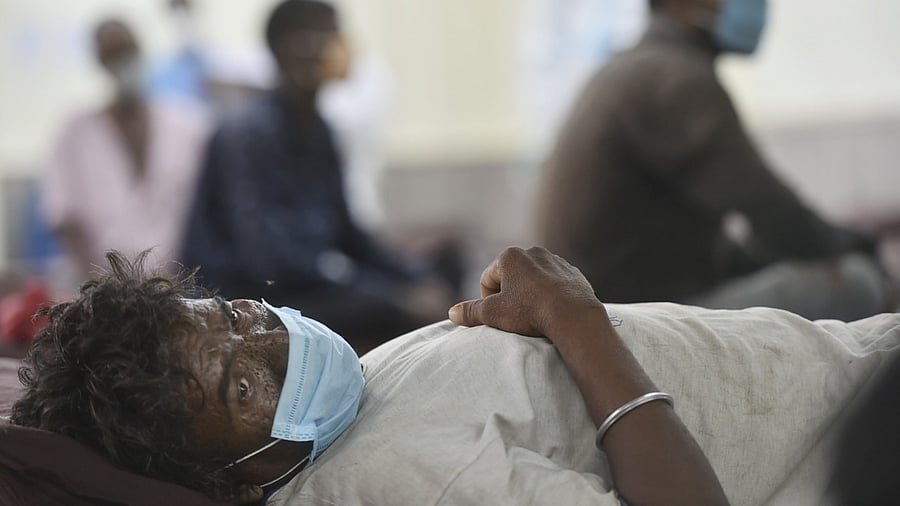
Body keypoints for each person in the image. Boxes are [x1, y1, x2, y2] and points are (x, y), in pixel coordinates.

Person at [535, 0, 891, 320]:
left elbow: (713, 246)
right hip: (630, 323)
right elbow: (771, 212)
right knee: (858, 284)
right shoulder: (675, 78)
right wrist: (852, 247)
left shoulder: (634, 68)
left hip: (614, 309)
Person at [181, 0, 452, 353]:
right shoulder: (246, 135)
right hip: (249, 306)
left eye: (335, 34)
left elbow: (348, 235)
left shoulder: (320, 129)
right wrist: (386, 292)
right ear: (285, 51)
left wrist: (414, 276)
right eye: (321, 36)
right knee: (388, 311)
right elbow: (268, 264)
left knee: (446, 268)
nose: (335, 47)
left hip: (302, 288)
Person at [41, 18, 209, 281]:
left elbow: (208, 209)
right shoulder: (75, 135)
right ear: (100, 61)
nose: (123, 63)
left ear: (141, 51)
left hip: (181, 284)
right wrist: (98, 288)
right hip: (103, 288)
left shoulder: (188, 126)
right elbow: (66, 219)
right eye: (113, 55)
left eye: (128, 51)